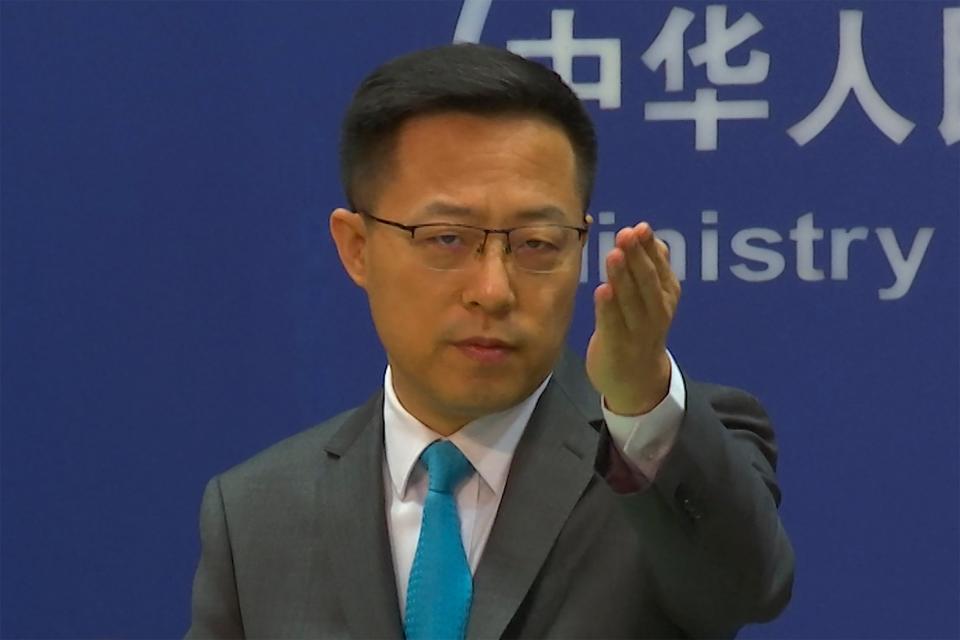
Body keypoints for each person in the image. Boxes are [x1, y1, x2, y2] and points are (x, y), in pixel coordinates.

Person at [186, 43, 794, 639]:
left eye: (537, 243)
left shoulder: (656, 459)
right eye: (447, 238)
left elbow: (745, 590)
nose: (493, 290)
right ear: (357, 248)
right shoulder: (257, 514)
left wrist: (640, 400)